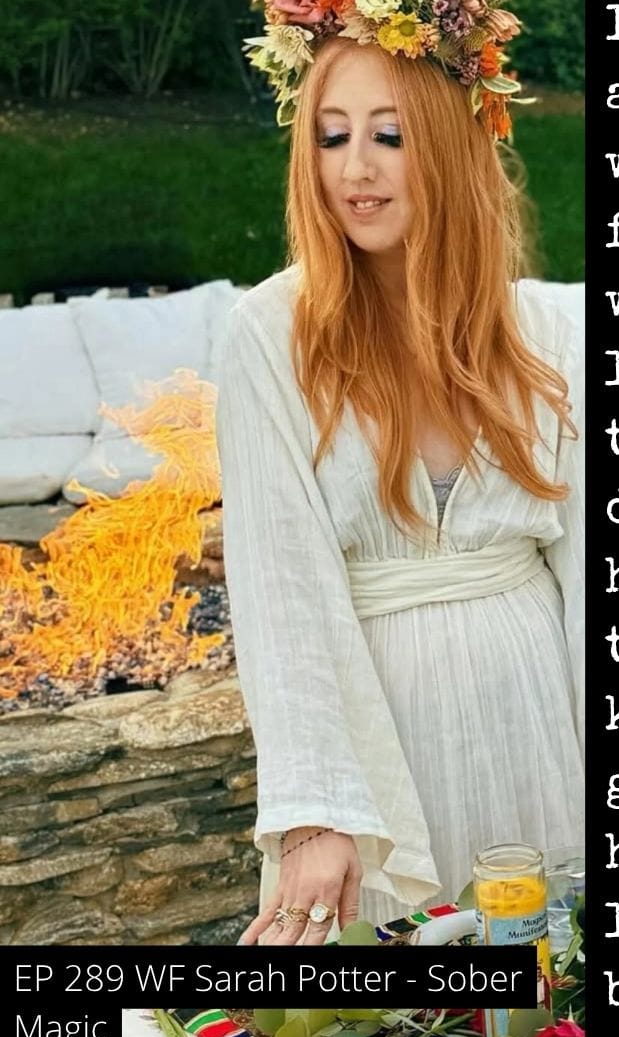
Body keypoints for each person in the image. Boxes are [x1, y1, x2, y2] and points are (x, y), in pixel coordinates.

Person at [216, 0, 585, 945]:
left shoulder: (552, 337)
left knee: (547, 992)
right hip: (381, 749)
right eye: (332, 137)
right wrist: (316, 815)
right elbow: (279, 588)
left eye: (389, 135)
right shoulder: (270, 337)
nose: (356, 168)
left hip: (539, 724)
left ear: (452, 147)